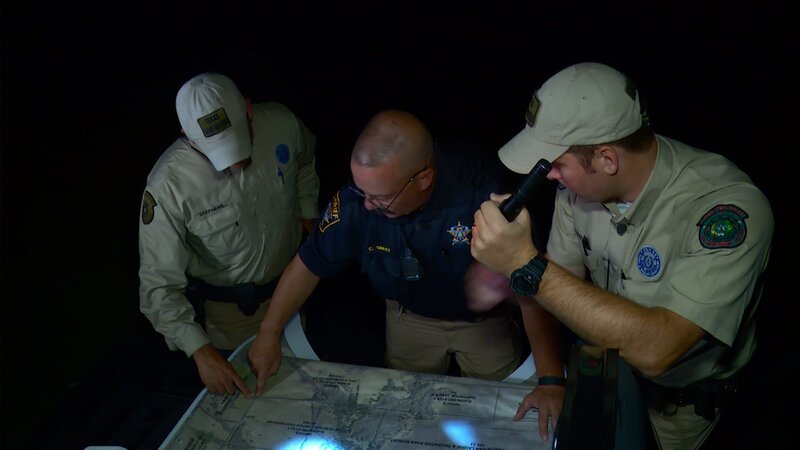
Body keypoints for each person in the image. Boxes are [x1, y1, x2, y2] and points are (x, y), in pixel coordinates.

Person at [470, 62, 774, 449]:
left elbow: (659, 350)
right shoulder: (577, 193)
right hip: (605, 376)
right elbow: (544, 291)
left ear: (607, 160)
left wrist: (525, 263)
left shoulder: (724, 210)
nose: (549, 176)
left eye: (557, 164)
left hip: (679, 409)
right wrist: (550, 379)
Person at [248, 109, 565, 440]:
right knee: (408, 417)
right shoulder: (358, 199)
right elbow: (309, 263)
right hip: (408, 319)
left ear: (424, 178)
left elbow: (532, 288)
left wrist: (550, 379)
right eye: (362, 191)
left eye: (381, 197)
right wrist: (269, 331)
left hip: (483, 325)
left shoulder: (481, 189)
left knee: (502, 415)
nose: (367, 205)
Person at [138, 72, 320, 396]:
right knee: (253, 408)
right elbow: (158, 286)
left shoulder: (282, 124)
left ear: (248, 109)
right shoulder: (167, 187)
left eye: (237, 140)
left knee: (302, 391)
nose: (234, 163)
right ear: (187, 135)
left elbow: (305, 161)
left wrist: (307, 211)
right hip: (234, 316)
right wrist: (200, 350)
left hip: (293, 293)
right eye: (217, 149)